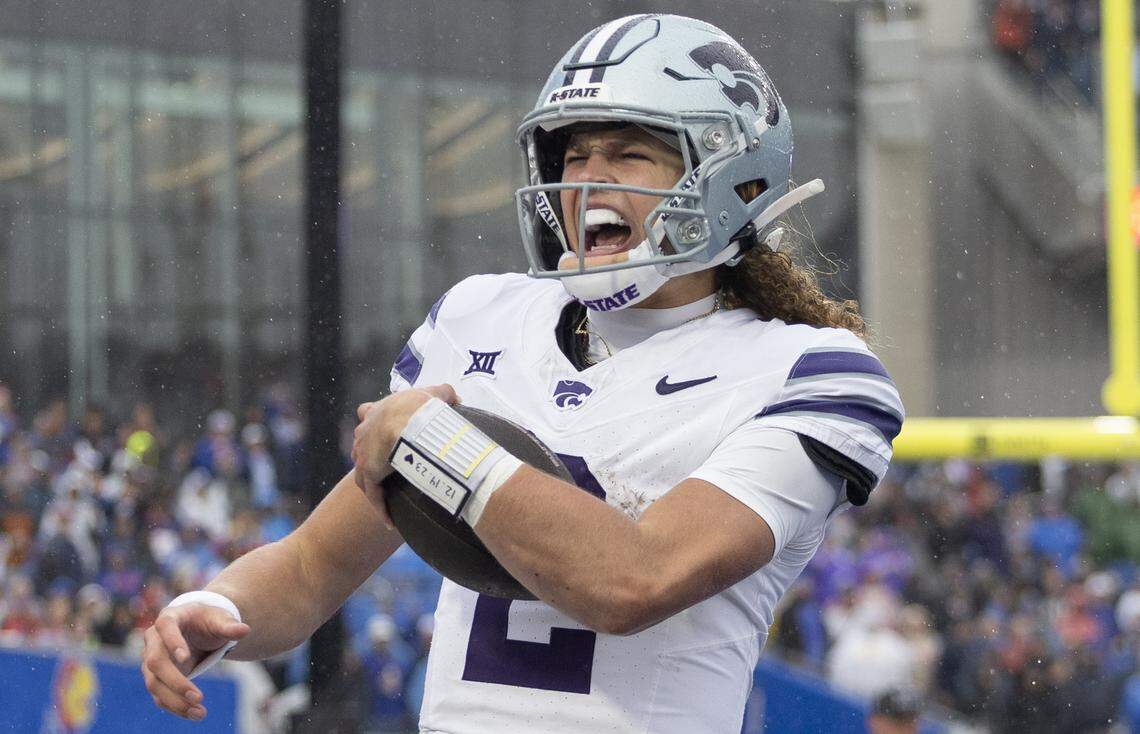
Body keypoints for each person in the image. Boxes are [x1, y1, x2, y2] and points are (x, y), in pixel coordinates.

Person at [141, 14, 904, 732]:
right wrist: (217, 607)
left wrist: (444, 447)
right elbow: (312, 567)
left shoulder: (805, 373)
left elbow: (634, 581)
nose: (587, 179)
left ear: (732, 176)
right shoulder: (484, 319)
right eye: (574, 155)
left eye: (629, 152)